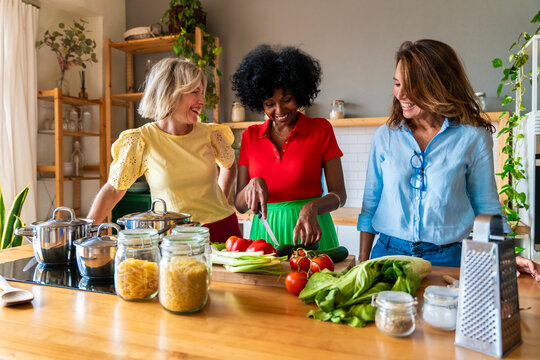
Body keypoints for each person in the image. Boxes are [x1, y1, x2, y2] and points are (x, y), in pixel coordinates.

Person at [357, 39, 509, 267]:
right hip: (387, 256)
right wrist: (362, 260)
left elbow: (487, 208)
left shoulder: (472, 137)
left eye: (412, 85)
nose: (401, 94)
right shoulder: (384, 136)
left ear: (438, 86)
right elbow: (370, 204)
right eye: (397, 84)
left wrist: (508, 260)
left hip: (447, 259)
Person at [87, 58, 242, 243]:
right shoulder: (142, 140)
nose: (202, 100)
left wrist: (222, 202)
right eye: (195, 92)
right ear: (171, 93)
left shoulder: (211, 134)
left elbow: (229, 165)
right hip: (173, 237)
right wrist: (88, 233)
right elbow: (113, 190)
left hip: (222, 230)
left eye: (202, 92)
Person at [232, 45, 346, 250]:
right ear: (260, 103)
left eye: (287, 100)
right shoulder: (250, 136)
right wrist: (251, 186)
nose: (280, 110)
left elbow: (339, 195)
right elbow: (239, 205)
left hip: (311, 234)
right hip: (264, 238)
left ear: (299, 94)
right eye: (269, 104)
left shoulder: (321, 130)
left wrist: (313, 206)